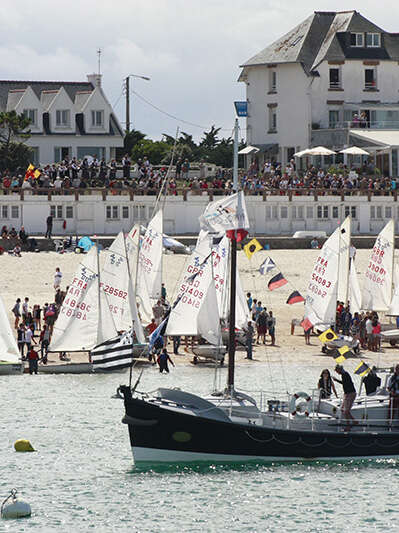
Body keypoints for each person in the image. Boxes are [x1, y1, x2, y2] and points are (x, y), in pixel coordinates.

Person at [333, 365, 358, 431]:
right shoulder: (344, 374)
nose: (337, 372)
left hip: (350, 393)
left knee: (346, 411)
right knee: (342, 409)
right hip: (347, 393)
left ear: (339, 369)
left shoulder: (345, 374)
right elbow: (345, 383)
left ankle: (348, 426)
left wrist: (336, 380)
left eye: (337, 371)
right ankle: (354, 421)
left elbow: (345, 383)